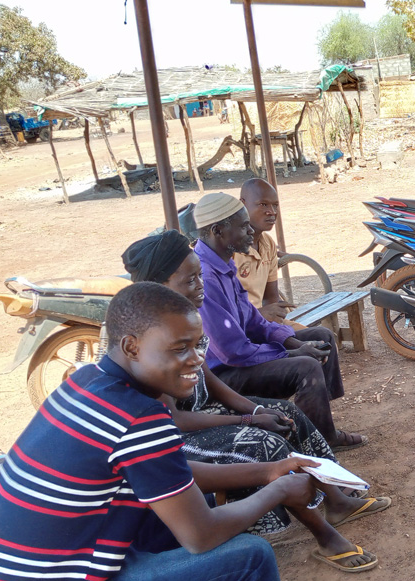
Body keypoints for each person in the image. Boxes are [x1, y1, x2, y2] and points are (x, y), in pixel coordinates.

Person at [0, 283, 309, 581]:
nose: (196, 359)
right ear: (131, 346)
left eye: (197, 346)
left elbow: (171, 478)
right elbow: (201, 537)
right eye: (180, 348)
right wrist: (281, 489)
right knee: (249, 560)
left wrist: (267, 471)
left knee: (186, 507)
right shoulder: (139, 418)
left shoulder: (88, 383)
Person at [121, 231, 388, 560]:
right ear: (158, 285)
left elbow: (211, 382)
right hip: (175, 433)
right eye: (190, 280)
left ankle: (336, 499)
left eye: (199, 276)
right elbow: (173, 419)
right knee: (265, 443)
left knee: (286, 417)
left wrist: (259, 409)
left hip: (207, 412)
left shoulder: (184, 319)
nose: (200, 285)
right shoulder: (149, 339)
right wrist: (247, 419)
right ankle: (324, 535)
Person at [192, 192, 366, 451]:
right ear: (218, 231)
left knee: (322, 337)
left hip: (240, 357)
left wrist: (293, 341)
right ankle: (315, 441)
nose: (251, 231)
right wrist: (289, 351)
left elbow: (254, 321)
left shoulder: (223, 265)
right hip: (223, 376)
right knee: (305, 367)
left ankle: (318, 425)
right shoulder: (205, 275)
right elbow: (232, 351)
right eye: (243, 226)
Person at [232, 178, 297, 323]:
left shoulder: (268, 244)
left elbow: (270, 298)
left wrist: (279, 326)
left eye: (275, 205)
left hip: (264, 323)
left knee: (322, 336)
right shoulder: (231, 248)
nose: (272, 212)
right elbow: (225, 313)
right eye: (263, 204)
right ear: (242, 204)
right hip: (242, 326)